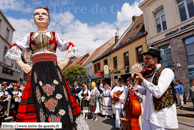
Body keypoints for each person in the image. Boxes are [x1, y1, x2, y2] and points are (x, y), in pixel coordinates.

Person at [5, 7, 89, 130]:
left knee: (60, 100)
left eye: (43, 14)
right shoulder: (30, 36)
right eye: (36, 14)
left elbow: (71, 47)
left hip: (54, 72)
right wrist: (22, 64)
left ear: (49, 19)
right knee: (35, 101)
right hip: (37, 72)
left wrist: (65, 61)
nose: (40, 15)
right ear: (33, 19)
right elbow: (14, 48)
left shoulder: (55, 35)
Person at [129, 48, 178, 130]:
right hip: (149, 114)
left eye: (147, 59)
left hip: (160, 116)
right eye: (145, 59)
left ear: (155, 59)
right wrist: (137, 89)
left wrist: (143, 80)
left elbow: (158, 92)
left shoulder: (166, 72)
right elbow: (149, 92)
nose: (145, 61)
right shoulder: (152, 73)